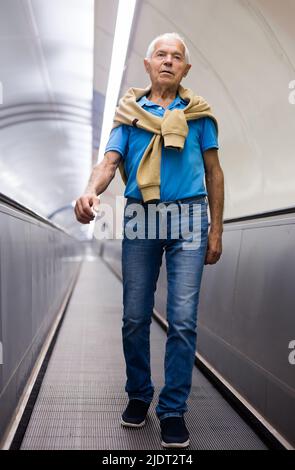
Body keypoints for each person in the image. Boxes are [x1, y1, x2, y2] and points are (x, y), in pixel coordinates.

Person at [75, 32, 224, 448]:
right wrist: (91, 191)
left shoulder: (199, 116)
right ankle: (139, 394)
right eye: (161, 54)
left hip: (191, 217)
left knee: (182, 319)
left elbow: (214, 172)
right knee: (135, 316)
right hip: (142, 215)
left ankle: (173, 409)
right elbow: (109, 162)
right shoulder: (128, 114)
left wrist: (216, 228)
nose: (168, 61)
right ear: (147, 64)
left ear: (186, 69)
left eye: (177, 57)